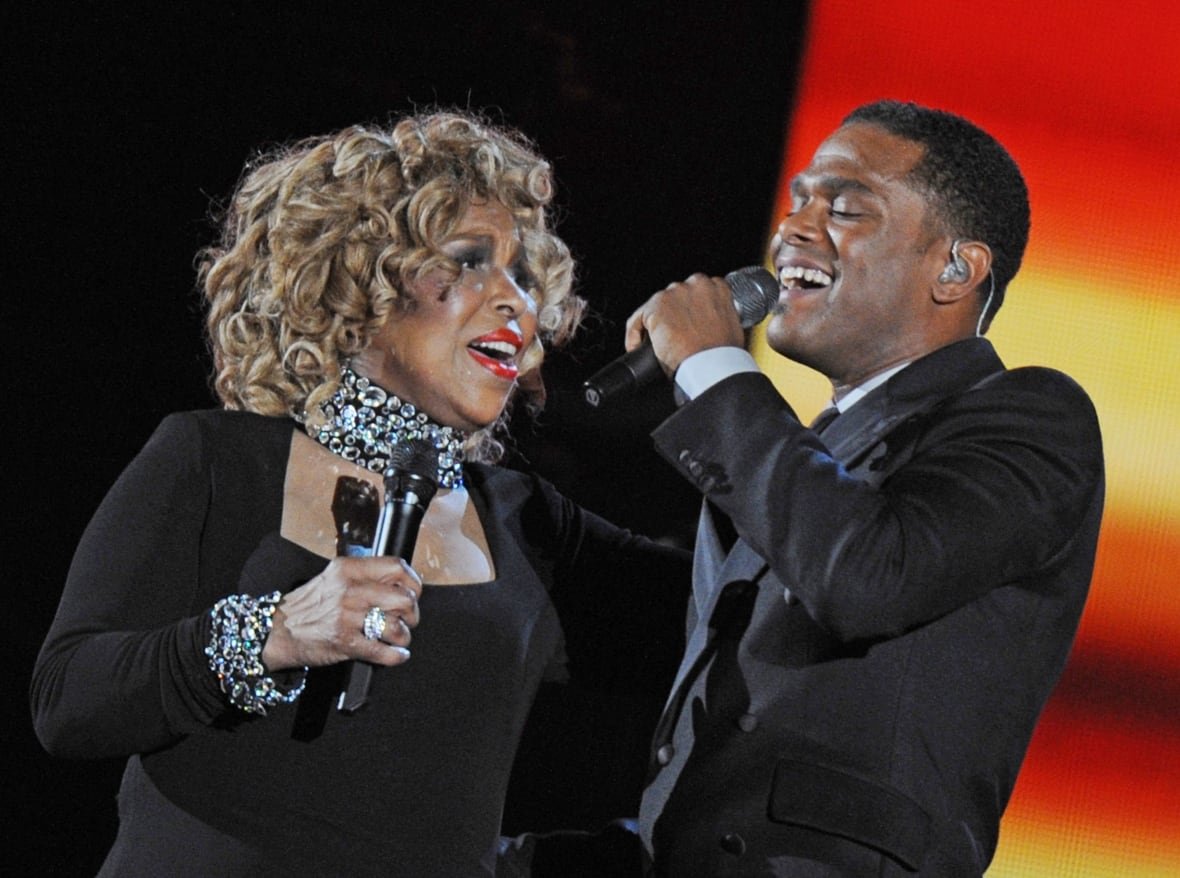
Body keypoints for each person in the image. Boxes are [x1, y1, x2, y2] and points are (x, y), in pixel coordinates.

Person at [30, 110, 688, 876]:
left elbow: (761, 611)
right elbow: (66, 700)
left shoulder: (531, 528)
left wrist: (717, 386)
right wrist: (272, 632)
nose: (517, 302)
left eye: (523, 277)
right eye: (470, 260)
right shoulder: (217, 459)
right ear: (358, 282)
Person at [624, 100, 1104, 875]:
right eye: (796, 201)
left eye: (844, 207)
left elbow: (867, 575)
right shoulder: (804, 459)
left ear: (957, 269)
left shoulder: (1029, 418)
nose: (794, 231)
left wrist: (716, 367)